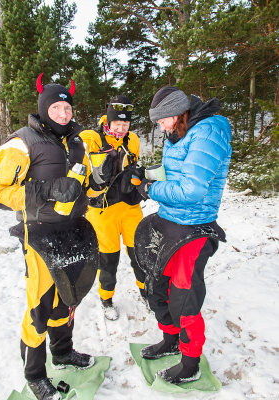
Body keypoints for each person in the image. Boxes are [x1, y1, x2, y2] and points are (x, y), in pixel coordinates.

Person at [0, 73, 99, 400]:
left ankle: (63, 352)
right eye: (58, 107)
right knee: (40, 303)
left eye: (68, 107)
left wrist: (100, 182)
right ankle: (35, 373)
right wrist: (47, 189)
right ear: (44, 107)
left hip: (73, 230)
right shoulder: (22, 143)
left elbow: (88, 186)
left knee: (69, 294)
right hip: (39, 233)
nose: (65, 113)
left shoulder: (78, 142)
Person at [134, 86, 232, 385]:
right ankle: (171, 339)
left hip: (195, 226)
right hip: (170, 220)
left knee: (183, 297)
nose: (160, 126)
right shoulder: (178, 131)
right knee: (157, 288)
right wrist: (146, 175)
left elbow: (192, 189)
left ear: (177, 112)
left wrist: (150, 190)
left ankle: (190, 363)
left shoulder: (208, 133)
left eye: (162, 119)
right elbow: (173, 171)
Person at [79, 95, 146, 320]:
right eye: (117, 123)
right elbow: (76, 150)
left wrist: (138, 177)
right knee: (108, 259)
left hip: (129, 207)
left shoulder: (133, 140)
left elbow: (134, 164)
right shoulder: (92, 138)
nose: (121, 128)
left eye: (125, 124)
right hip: (102, 211)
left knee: (140, 253)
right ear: (107, 120)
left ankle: (147, 293)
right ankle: (106, 299)